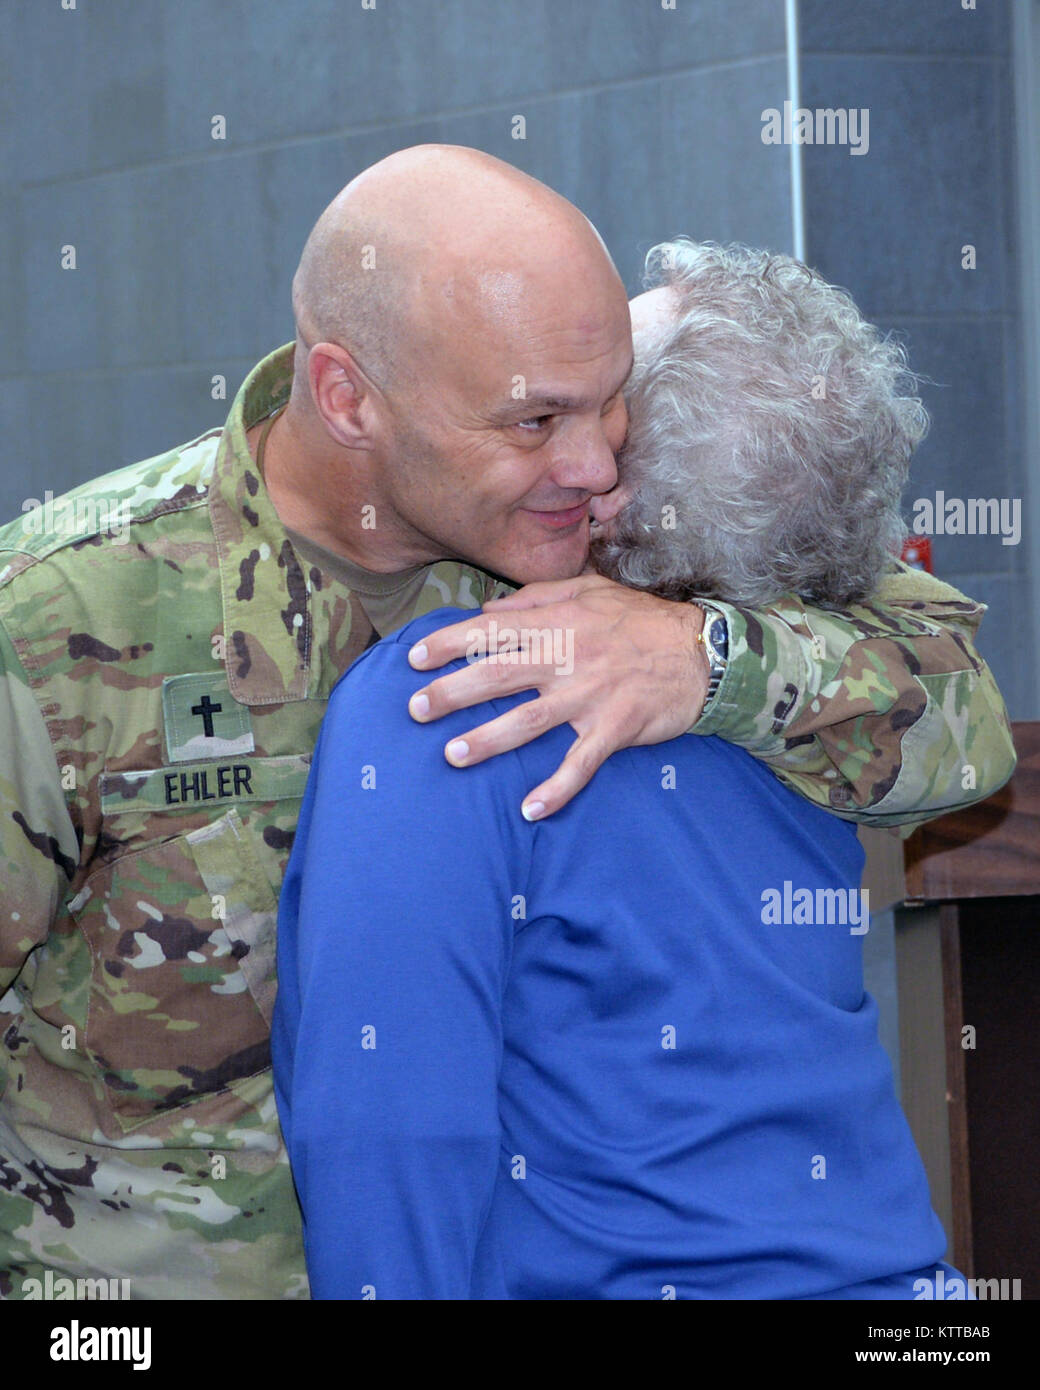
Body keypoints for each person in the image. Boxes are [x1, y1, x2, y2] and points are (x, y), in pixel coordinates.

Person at [0, 146, 1012, 1301]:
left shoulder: (631, 547)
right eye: (533, 420)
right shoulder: (59, 625)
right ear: (348, 399)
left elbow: (960, 708)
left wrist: (707, 660)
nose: (594, 462)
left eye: (609, 399)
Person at [272, 242, 984, 1299]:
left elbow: (391, 1137)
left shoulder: (444, 699)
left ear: (603, 487)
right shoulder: (836, 692)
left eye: (603, 394)